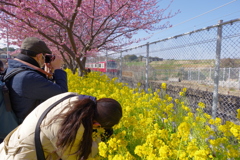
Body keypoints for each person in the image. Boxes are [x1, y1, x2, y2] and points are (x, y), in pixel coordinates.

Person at [0, 92, 123, 159]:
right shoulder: (71, 128)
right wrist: (98, 141)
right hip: (21, 156)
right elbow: (76, 157)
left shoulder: (74, 99)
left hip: (16, 141)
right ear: (96, 123)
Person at [5, 37, 68, 124]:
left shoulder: (14, 69)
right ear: (39, 56)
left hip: (19, 121)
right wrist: (58, 69)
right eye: (44, 58)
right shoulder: (28, 77)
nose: (44, 61)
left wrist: (46, 74)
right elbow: (62, 93)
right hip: (25, 128)